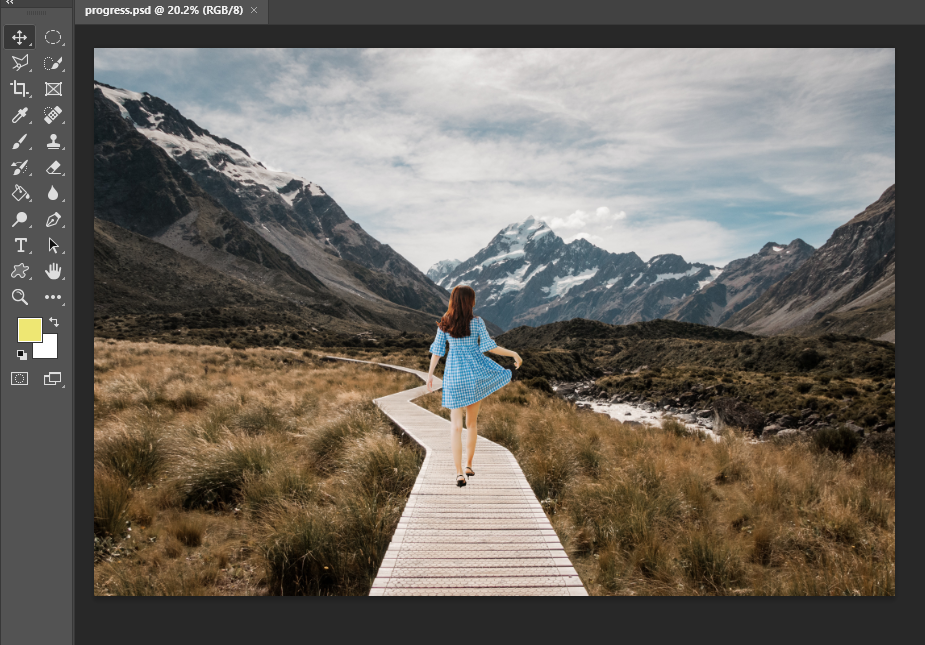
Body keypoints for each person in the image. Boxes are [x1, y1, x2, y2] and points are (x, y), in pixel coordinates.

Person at [426, 285, 523, 487]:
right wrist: (513, 353)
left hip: (453, 377)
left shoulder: (445, 322)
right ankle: (469, 465)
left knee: (455, 427)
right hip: (475, 376)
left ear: (453, 300)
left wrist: (430, 375)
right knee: (471, 424)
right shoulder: (477, 322)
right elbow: (490, 347)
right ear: (470, 301)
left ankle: (459, 473)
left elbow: (437, 351)